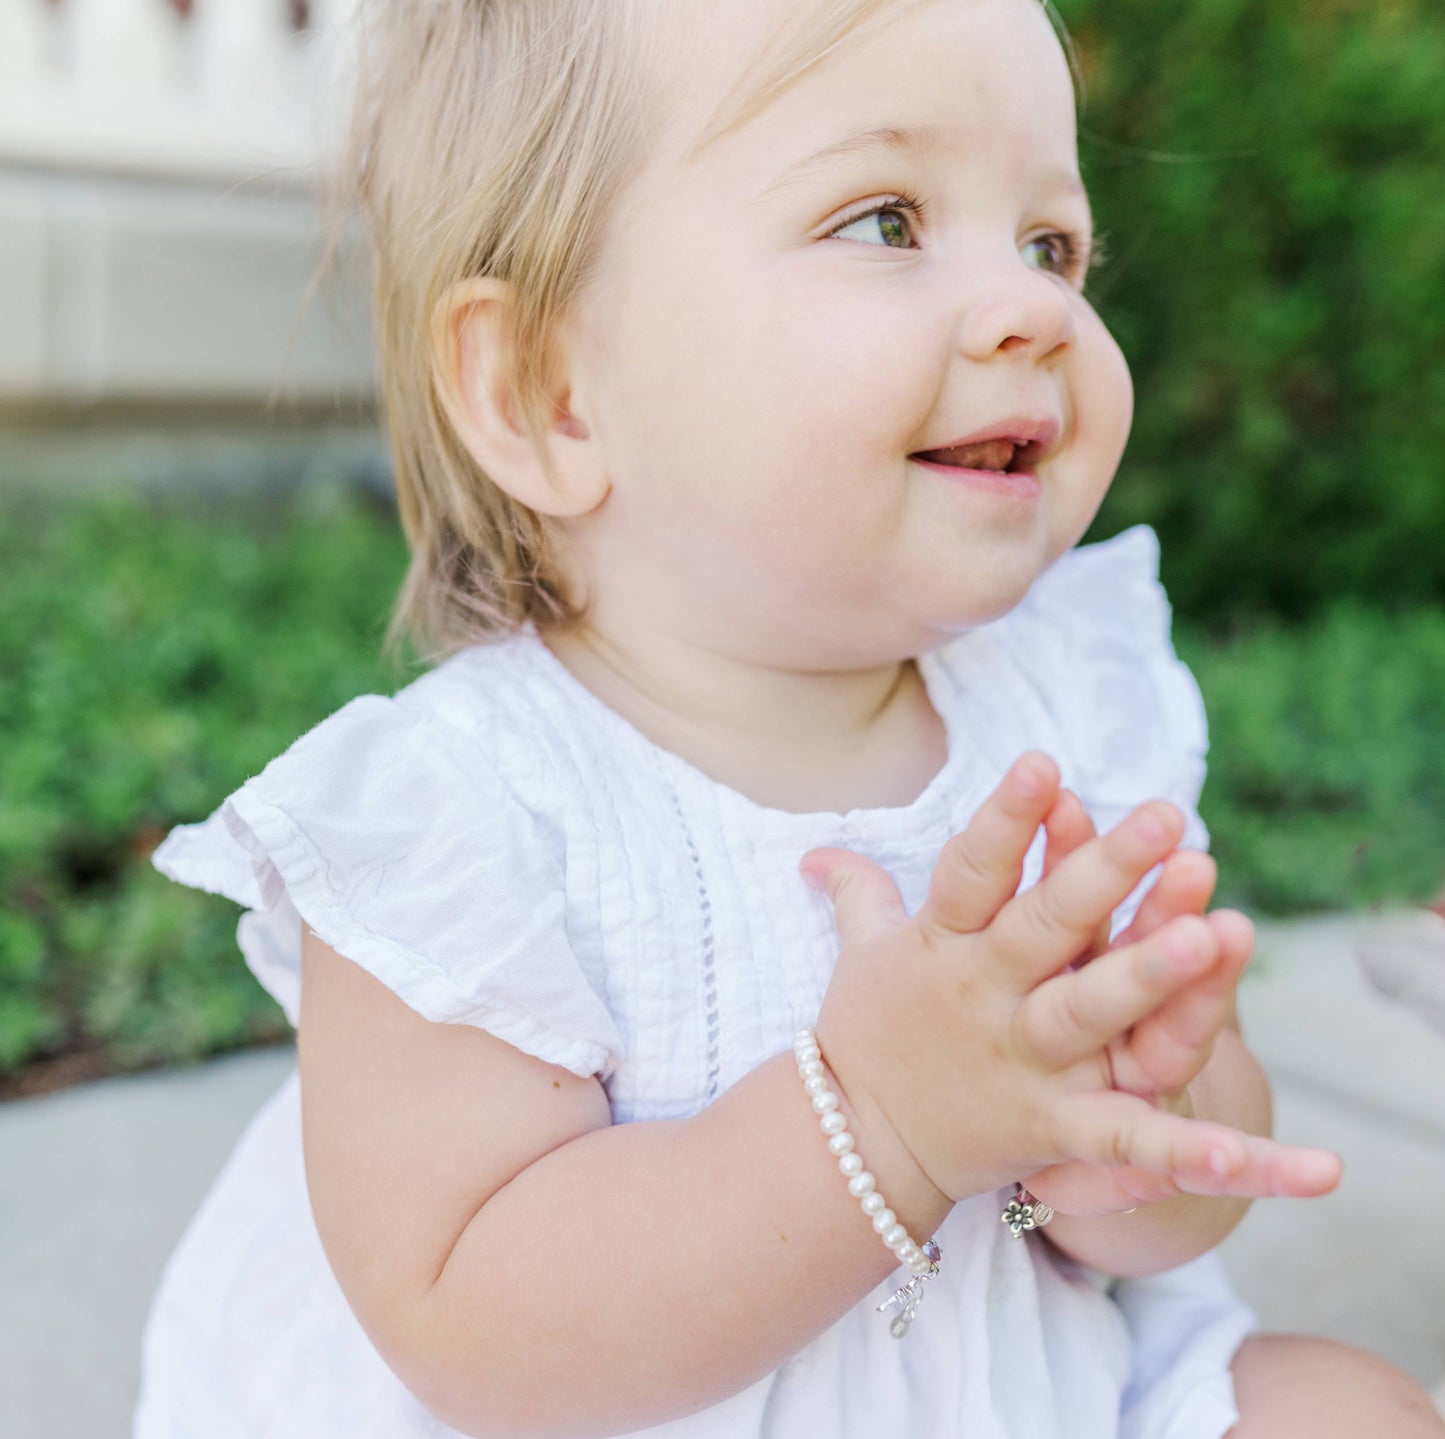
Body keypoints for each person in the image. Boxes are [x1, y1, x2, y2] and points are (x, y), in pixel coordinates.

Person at [133, 0, 1445, 1434]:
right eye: (884, 222)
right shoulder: (467, 823)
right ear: (547, 392)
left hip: (1035, 1395)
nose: (1034, 310)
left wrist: (1140, 1125)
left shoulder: (1067, 705)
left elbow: (1159, 1223)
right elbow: (480, 1332)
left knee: (1347, 1412)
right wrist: (884, 1117)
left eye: (1050, 243)